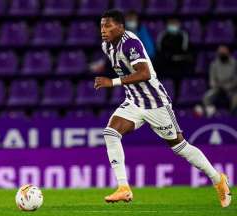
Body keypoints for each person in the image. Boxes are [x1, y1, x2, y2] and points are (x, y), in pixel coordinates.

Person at [95, 9, 231, 207]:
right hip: (134, 101)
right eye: (101, 26)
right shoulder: (106, 46)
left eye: (108, 26)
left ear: (121, 27)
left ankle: (218, 179)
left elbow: (145, 74)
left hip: (155, 103)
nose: (103, 30)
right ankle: (123, 188)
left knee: (180, 147)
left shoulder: (130, 43)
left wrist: (112, 82)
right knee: (110, 133)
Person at [155, 18, 193, 101]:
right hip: (165, 65)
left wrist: (176, 57)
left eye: (175, 23)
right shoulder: (163, 35)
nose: (173, 26)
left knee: (179, 78)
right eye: (171, 23)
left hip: (179, 65)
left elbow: (185, 50)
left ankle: (178, 96)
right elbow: (159, 50)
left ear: (179, 24)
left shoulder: (183, 35)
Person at [203, 45, 237, 116]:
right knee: (207, 97)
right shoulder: (214, 64)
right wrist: (217, 85)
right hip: (218, 88)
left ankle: (231, 117)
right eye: (220, 52)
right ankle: (212, 115)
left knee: (236, 99)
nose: (222, 53)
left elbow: (235, 80)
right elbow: (212, 80)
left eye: (223, 52)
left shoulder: (234, 64)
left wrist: (228, 86)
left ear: (228, 52)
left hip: (232, 89)